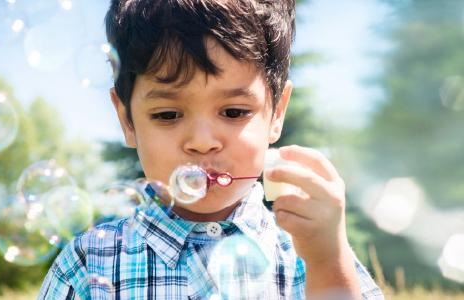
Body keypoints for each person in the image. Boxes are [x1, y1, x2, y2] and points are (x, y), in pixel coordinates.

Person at [38, 0, 384, 299]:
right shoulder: (88, 265)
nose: (203, 142)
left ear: (277, 112)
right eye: (167, 114)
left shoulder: (311, 254)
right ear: (127, 119)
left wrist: (326, 263)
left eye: (234, 112)